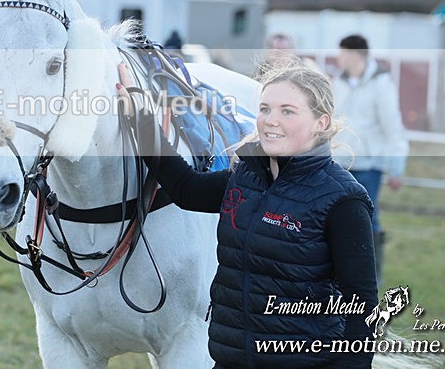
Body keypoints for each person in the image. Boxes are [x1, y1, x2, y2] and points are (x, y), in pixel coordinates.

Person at [116, 60, 377, 368]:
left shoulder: (342, 198)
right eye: (265, 109)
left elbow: (361, 304)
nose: (270, 120)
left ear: (321, 122)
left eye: (287, 111)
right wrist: (141, 122)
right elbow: (186, 189)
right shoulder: (245, 178)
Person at [333, 34, 409, 286]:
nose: (338, 58)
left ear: (354, 55)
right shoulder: (338, 83)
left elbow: (393, 128)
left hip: (368, 166)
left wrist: (396, 168)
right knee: (335, 216)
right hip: (340, 163)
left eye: (342, 53)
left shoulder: (381, 84)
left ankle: (372, 276)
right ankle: (339, 271)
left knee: (368, 218)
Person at [255, 33, 320, 78]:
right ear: (268, 52)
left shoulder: (305, 66)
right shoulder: (261, 71)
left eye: (285, 50)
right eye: (278, 50)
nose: (282, 54)